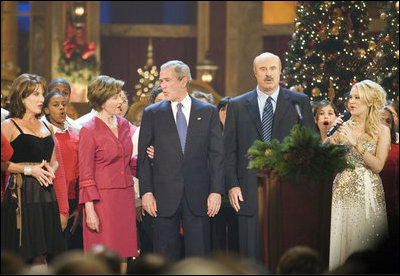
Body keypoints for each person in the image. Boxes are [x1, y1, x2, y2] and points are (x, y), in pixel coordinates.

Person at [223, 52, 315, 261]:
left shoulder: (299, 102)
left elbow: (310, 145)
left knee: (285, 254)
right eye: (263, 69)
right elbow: (228, 151)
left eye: (273, 68)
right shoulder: (237, 105)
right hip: (247, 191)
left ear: (280, 71)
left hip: (289, 188)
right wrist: (232, 185)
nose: (268, 74)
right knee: (251, 255)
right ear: (254, 72)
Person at [138, 60, 224, 260]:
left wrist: (216, 191)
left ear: (183, 81)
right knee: (165, 258)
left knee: (199, 256)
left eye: (167, 80)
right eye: (161, 81)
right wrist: (147, 192)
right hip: (163, 196)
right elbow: (143, 158)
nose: (163, 86)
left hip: (199, 196)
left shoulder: (208, 112)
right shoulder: (152, 113)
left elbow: (217, 156)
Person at [326, 80, 390, 270]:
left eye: (357, 98)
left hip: (368, 190)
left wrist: (355, 143)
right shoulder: (344, 125)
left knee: (366, 238)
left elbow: (378, 166)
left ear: (370, 101)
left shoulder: (382, 131)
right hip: (342, 188)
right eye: (351, 97)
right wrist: (332, 136)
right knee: (344, 242)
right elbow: (323, 155)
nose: (351, 102)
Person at [1, 73, 64, 264]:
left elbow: (55, 161)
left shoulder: (47, 126)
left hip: (46, 193)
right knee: (24, 252)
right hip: (21, 194)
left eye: (42, 94)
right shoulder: (9, 125)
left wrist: (50, 169)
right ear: (21, 97)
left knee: (44, 252)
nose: (40, 99)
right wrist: (30, 170)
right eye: (35, 94)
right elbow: (2, 162)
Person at [78, 75, 137, 273]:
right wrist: (89, 209)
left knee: (124, 251)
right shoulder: (89, 129)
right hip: (102, 200)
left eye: (120, 97)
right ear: (101, 100)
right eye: (115, 97)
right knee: (102, 255)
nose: (120, 101)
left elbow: (127, 160)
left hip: (125, 196)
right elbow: (85, 171)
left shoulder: (124, 125)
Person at [42, 91, 83, 250]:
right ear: (46, 110)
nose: (61, 108)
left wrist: (79, 207)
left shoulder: (75, 135)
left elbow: (80, 172)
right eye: (55, 105)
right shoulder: (45, 134)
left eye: (64, 105)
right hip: (52, 198)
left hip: (72, 199)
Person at [379, 107, 399, 244]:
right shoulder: (361, 149)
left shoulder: (397, 151)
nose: (385, 124)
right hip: (367, 211)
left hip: (393, 212)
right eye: (380, 120)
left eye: (388, 121)